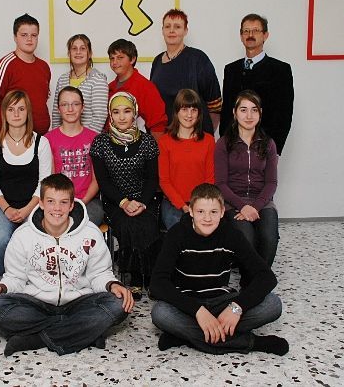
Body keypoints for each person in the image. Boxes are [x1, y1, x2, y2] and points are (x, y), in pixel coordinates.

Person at [0, 174, 133, 356]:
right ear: (41, 203)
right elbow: (15, 277)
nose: (57, 208)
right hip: (37, 304)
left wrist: (113, 285)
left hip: (78, 303)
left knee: (119, 304)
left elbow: (99, 274)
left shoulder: (90, 233)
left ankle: (37, 339)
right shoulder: (23, 235)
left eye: (63, 202)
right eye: (51, 201)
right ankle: (83, 332)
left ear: (71, 205)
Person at [149, 183, 288, 356]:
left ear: (222, 212)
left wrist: (236, 308)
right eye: (201, 211)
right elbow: (157, 283)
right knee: (161, 313)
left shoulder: (232, 235)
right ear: (190, 211)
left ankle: (186, 336)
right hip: (189, 304)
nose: (207, 218)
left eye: (213, 212)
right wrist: (198, 311)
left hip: (222, 300)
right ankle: (250, 342)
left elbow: (266, 277)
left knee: (273, 304)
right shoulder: (177, 234)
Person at [90, 92, 160, 299]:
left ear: (134, 113)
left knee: (148, 224)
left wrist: (141, 203)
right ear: (110, 115)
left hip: (144, 200)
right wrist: (124, 202)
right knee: (129, 225)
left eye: (127, 111)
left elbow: (152, 179)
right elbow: (103, 181)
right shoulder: (100, 143)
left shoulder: (147, 141)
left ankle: (153, 277)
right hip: (115, 201)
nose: (121, 117)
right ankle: (135, 278)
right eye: (116, 112)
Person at [0, 90, 53, 278]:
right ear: (4, 113)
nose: (16, 114)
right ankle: (2, 280)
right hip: (2, 207)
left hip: (33, 206)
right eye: (11, 109)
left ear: (28, 112)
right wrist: (7, 209)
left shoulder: (41, 143)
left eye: (21, 109)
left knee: (40, 238)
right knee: (0, 239)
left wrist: (27, 210)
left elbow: (44, 183)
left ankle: (36, 279)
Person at [215, 90, 279, 266]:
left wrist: (255, 207)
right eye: (243, 110)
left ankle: (260, 278)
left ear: (260, 113)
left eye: (254, 110)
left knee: (269, 238)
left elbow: (271, 182)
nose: (249, 115)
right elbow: (220, 184)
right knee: (246, 239)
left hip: (262, 201)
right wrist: (243, 206)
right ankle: (249, 277)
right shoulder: (223, 144)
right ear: (234, 113)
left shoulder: (269, 144)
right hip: (233, 202)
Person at [221, 13, 294, 155]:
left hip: (264, 147)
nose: (250, 35)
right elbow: (226, 110)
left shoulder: (280, 70)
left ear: (265, 35)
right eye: (246, 31)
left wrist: (274, 149)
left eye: (255, 30)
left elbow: (284, 113)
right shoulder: (231, 70)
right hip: (234, 146)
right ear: (241, 36)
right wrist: (225, 143)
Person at [0, 14, 51, 135]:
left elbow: (42, 100)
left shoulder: (44, 67)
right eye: (24, 35)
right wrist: (7, 127)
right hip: (13, 139)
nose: (29, 39)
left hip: (41, 138)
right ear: (15, 37)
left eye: (34, 35)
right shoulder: (5, 65)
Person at [150, 9, 220, 134]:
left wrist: (206, 135)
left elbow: (214, 103)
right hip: (166, 136)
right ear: (162, 30)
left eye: (177, 27)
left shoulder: (198, 58)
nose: (171, 30)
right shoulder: (157, 61)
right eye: (167, 26)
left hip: (195, 135)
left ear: (185, 31)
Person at [45, 86, 104, 226]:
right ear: (58, 109)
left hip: (88, 200)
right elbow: (49, 179)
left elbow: (97, 179)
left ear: (83, 107)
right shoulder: (48, 139)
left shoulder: (95, 138)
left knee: (83, 221)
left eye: (75, 104)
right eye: (65, 104)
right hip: (58, 201)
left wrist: (82, 202)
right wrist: (62, 204)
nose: (70, 109)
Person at [158, 89, 215, 230]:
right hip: (173, 203)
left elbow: (210, 178)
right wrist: (183, 206)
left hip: (203, 202)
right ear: (176, 112)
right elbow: (164, 181)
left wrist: (198, 206)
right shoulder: (164, 142)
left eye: (193, 110)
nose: (189, 115)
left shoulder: (208, 141)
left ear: (199, 113)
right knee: (180, 231)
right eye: (184, 109)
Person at [107, 39, 167, 139]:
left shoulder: (145, 87)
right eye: (112, 58)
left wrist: (157, 148)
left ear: (132, 59)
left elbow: (158, 125)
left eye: (120, 57)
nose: (115, 62)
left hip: (137, 145)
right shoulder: (109, 87)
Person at [52, 34, 108, 133]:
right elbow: (56, 115)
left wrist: (84, 138)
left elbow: (99, 117)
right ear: (69, 53)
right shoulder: (62, 79)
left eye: (83, 48)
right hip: (63, 138)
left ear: (89, 53)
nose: (78, 52)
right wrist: (57, 136)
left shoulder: (98, 79)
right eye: (74, 48)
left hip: (88, 139)